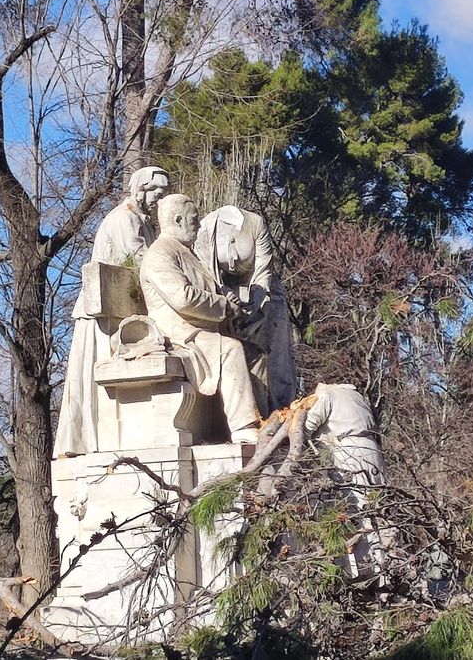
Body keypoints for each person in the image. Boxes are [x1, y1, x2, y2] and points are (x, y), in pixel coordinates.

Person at [55, 166, 169, 457]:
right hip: (103, 314)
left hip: (121, 310)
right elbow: (145, 262)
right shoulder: (124, 219)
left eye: (163, 192)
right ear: (141, 189)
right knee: (93, 380)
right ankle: (88, 443)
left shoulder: (141, 221)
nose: (160, 197)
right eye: (156, 191)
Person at [140, 194, 261, 443]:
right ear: (178, 220)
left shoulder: (185, 252)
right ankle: (244, 428)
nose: (198, 225)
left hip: (202, 328)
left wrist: (229, 299)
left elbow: (210, 287)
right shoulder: (160, 254)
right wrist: (223, 305)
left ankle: (264, 418)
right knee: (230, 350)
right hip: (179, 332)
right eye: (194, 220)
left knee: (256, 353)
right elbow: (183, 298)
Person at [195, 205, 296, 416]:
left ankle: (282, 413)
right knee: (241, 356)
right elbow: (206, 272)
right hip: (226, 298)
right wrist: (225, 295)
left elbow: (263, 269)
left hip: (265, 293)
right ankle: (250, 414)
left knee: (277, 358)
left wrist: (255, 303)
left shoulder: (255, 223)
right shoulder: (205, 227)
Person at [302, 383, 389, 577]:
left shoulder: (326, 395)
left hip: (350, 452)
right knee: (376, 511)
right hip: (373, 452)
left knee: (355, 510)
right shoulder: (356, 397)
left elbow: (306, 428)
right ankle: (385, 570)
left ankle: (364, 573)